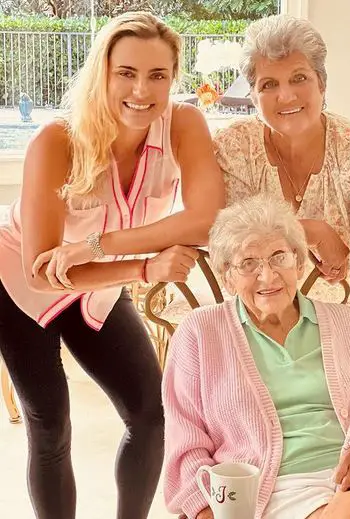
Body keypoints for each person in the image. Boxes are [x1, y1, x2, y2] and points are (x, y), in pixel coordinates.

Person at [0, 11, 224, 519]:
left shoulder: (184, 124)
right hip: (17, 286)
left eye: (157, 75)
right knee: (50, 422)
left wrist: (101, 246)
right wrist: (146, 268)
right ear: (101, 71)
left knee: (150, 416)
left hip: (99, 284)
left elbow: (205, 217)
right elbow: (40, 270)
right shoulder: (57, 142)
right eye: (126, 72)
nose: (141, 90)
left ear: (174, 77)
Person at [162, 195, 350, 519]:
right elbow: (186, 442)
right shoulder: (199, 333)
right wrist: (205, 509)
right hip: (265, 493)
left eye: (279, 257)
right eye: (248, 264)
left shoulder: (344, 322)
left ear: (299, 261)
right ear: (228, 278)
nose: (267, 276)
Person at [213, 14, 350, 434]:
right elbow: (232, 243)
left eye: (299, 78)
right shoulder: (234, 148)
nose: (286, 95)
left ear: (322, 84)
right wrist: (314, 232)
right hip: (260, 318)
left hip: (346, 323)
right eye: (269, 84)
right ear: (252, 94)